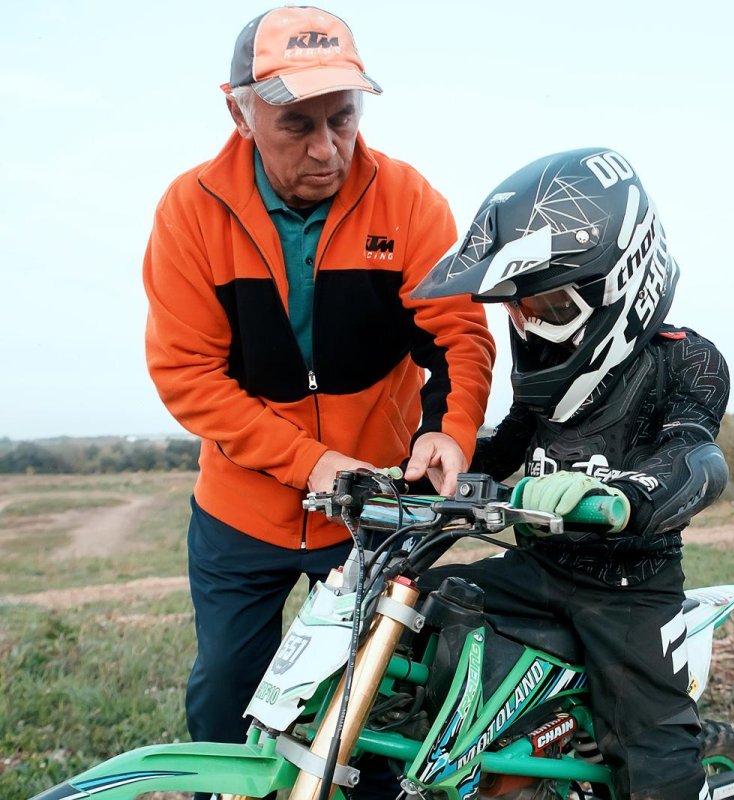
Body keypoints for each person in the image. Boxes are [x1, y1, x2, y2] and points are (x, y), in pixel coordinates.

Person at [142, 6, 495, 750]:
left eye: (343, 118)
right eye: (297, 125)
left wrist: (449, 430)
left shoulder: (409, 200)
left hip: (376, 504)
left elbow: (458, 335)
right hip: (241, 513)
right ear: (239, 113)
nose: (327, 148)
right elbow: (188, 375)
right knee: (225, 695)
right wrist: (312, 463)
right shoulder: (190, 212)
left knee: (374, 709)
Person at [413, 148, 730, 800]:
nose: (529, 324)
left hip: (630, 587)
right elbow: (504, 446)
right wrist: (420, 482)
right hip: (538, 569)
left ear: (625, 282)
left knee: (655, 762)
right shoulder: (542, 380)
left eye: (549, 304)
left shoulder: (686, 360)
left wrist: (623, 494)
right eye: (518, 307)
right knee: (413, 611)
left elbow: (693, 454)